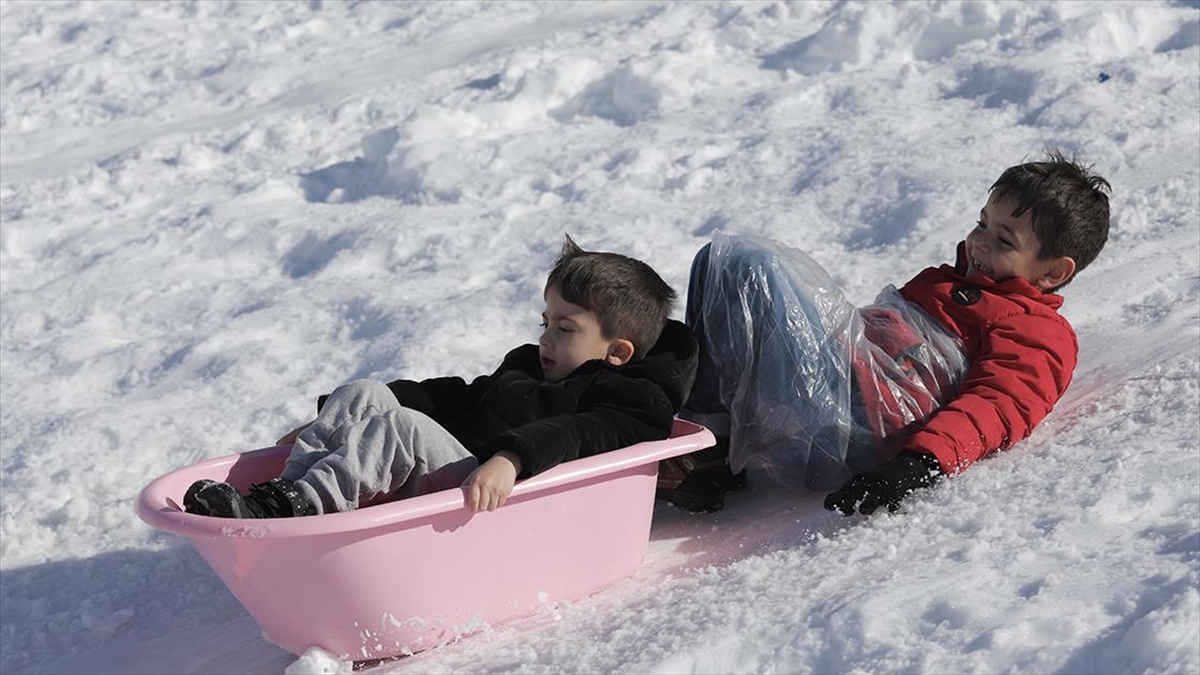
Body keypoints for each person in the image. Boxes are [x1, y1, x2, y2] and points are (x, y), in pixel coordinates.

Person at [656, 150, 1111, 515]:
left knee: (755, 267)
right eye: (981, 223)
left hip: (854, 431)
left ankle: (708, 454)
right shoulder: (948, 282)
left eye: (1004, 240)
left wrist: (918, 464)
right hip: (839, 394)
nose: (980, 242)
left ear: (1053, 273)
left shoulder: (1038, 328)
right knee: (721, 262)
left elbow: (999, 405)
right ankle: (705, 436)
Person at [184, 236, 698, 518]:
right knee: (367, 393)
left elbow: (578, 434)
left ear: (617, 351)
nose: (545, 338)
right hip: (472, 474)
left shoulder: (632, 400)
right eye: (545, 322)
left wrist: (511, 457)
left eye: (564, 328)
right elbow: (463, 397)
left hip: (499, 498)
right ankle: (281, 494)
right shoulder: (527, 365)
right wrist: (336, 420)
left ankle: (299, 507)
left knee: (403, 427)